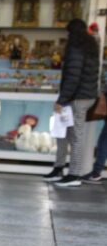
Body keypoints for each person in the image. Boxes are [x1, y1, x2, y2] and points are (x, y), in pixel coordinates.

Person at [45, 18, 101, 187]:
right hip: (85, 96)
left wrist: (61, 100)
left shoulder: (75, 48)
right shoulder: (91, 47)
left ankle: (74, 174)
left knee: (73, 136)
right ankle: (59, 168)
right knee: (64, 133)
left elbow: (73, 77)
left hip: (76, 99)